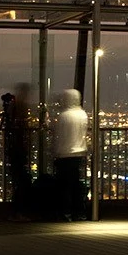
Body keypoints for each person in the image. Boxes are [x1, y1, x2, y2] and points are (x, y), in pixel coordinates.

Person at [51, 88, 89, 221]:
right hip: (79, 153)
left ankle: (65, 212)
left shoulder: (64, 116)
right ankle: (79, 211)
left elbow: (58, 136)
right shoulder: (83, 114)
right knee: (76, 184)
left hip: (64, 154)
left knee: (64, 185)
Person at [1, 83, 35, 218]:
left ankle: (17, 210)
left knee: (19, 180)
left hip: (15, 151)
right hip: (18, 151)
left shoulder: (15, 109)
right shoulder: (19, 109)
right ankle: (20, 210)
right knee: (21, 180)